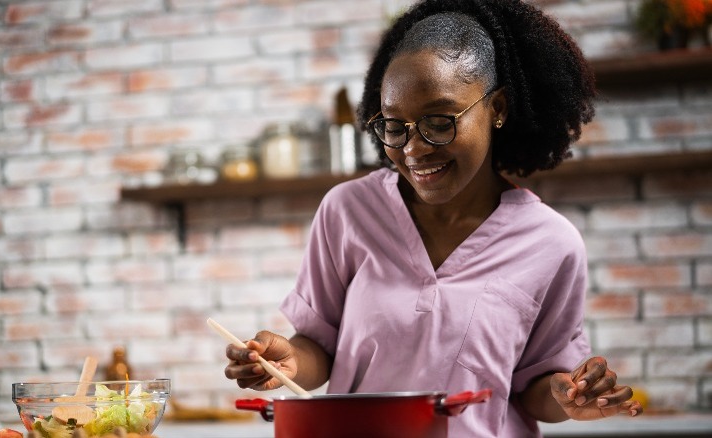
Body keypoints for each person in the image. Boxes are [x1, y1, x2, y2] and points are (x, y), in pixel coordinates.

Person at [223, 0, 644, 436]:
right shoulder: (348, 212)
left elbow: (537, 385)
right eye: (394, 125)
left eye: (439, 122)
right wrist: (290, 360)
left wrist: (568, 395)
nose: (413, 149)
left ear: (497, 108)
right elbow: (320, 348)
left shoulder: (552, 243)